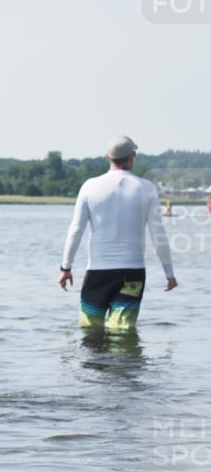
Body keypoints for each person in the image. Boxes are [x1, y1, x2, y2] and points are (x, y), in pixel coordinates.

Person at [59, 135, 177, 332]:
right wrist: (169, 273)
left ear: (108, 157)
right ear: (132, 156)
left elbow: (76, 230)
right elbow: (159, 235)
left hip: (98, 272)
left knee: (90, 331)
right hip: (132, 272)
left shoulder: (89, 186)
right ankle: (126, 364)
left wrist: (65, 268)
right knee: (123, 332)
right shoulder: (146, 188)